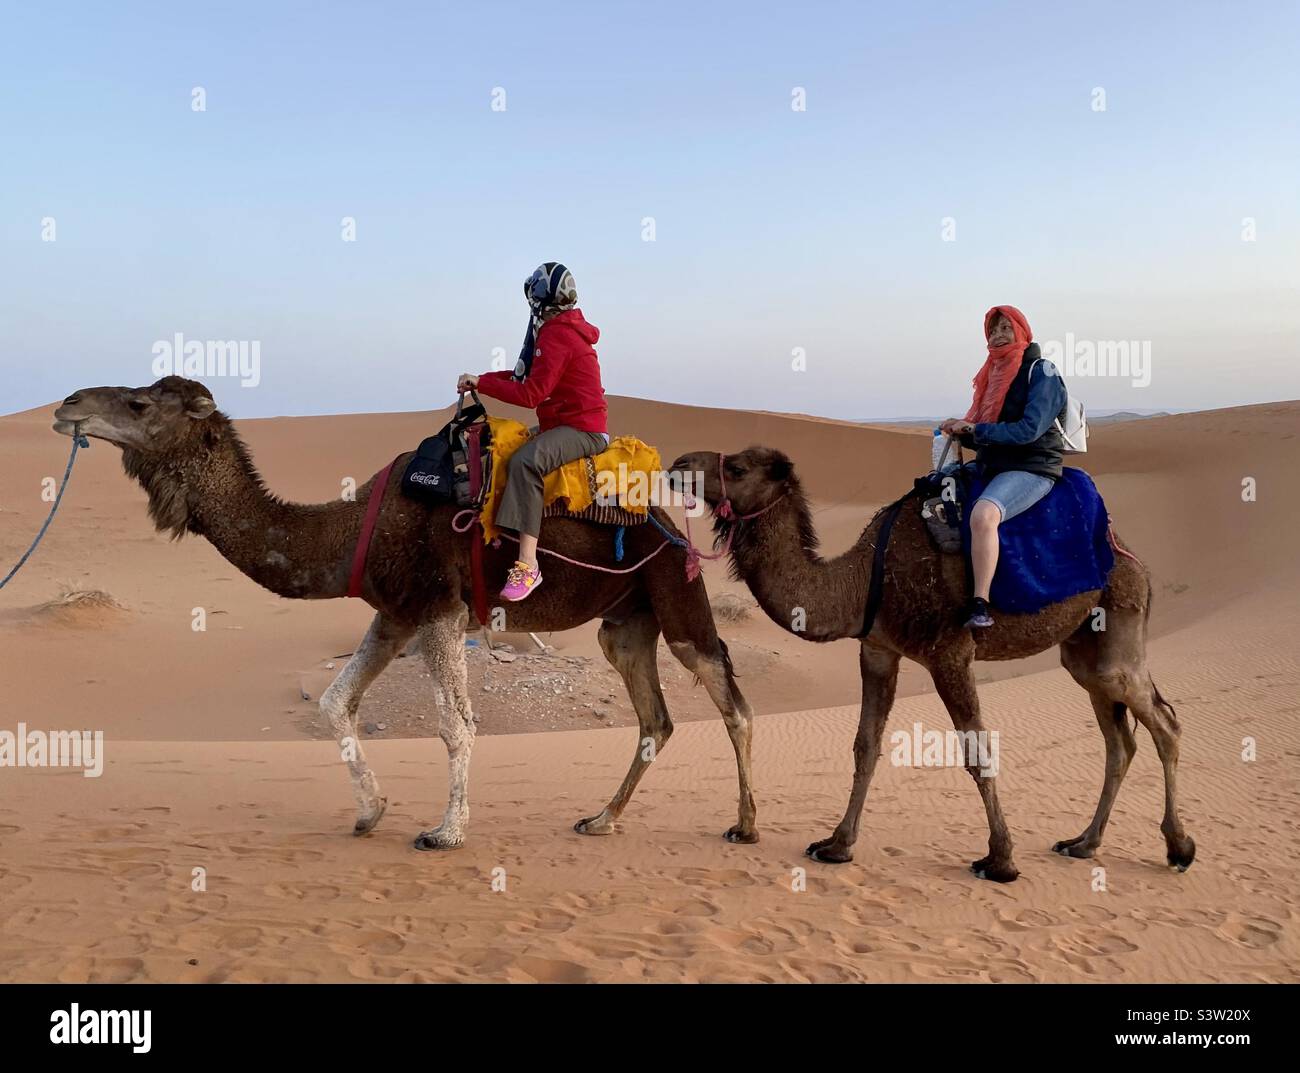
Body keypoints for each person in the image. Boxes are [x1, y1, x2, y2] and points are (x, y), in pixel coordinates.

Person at [456, 263, 609, 601]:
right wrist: (481, 379)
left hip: (582, 430)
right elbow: (526, 377)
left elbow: (530, 394)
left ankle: (529, 565)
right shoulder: (560, 330)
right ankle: (505, 531)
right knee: (506, 446)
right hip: (564, 424)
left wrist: (483, 384)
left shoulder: (558, 334)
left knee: (526, 461)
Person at [939, 305, 1068, 629]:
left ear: (1022, 331)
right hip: (993, 465)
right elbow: (985, 437)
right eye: (993, 330)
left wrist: (976, 430)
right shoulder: (990, 376)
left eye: (1005, 328)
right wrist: (960, 430)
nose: (998, 336)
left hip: (1032, 466)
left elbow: (1028, 430)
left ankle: (980, 604)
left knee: (983, 516)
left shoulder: (1042, 372)